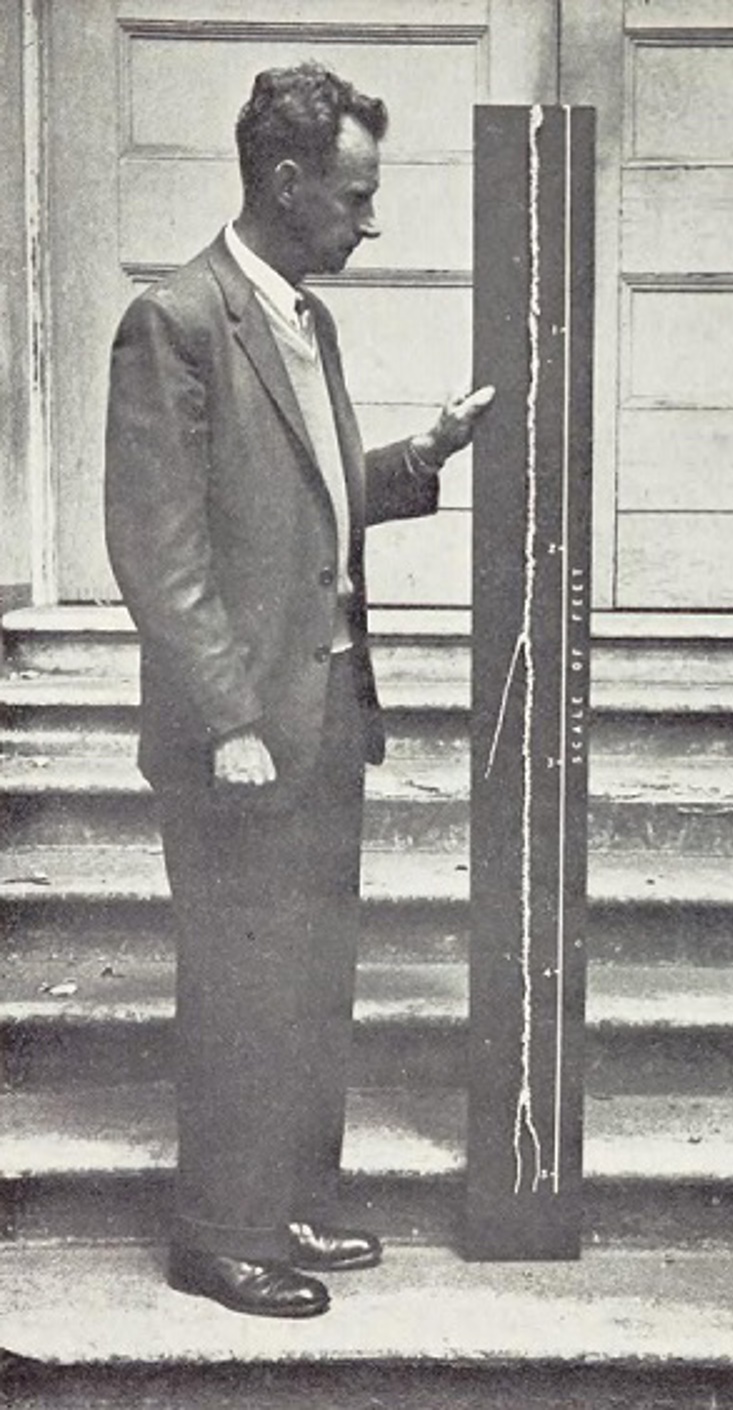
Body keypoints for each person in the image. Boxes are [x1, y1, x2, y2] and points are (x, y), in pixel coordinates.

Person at [104, 63, 493, 1319]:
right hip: (241, 737)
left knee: (313, 977)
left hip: (324, 720)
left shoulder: (305, 321)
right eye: (354, 196)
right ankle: (219, 1236)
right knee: (239, 983)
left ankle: (294, 1205)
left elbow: (310, 503)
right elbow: (157, 555)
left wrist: (421, 456)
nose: (368, 224)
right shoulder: (173, 320)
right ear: (285, 182)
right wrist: (227, 723)